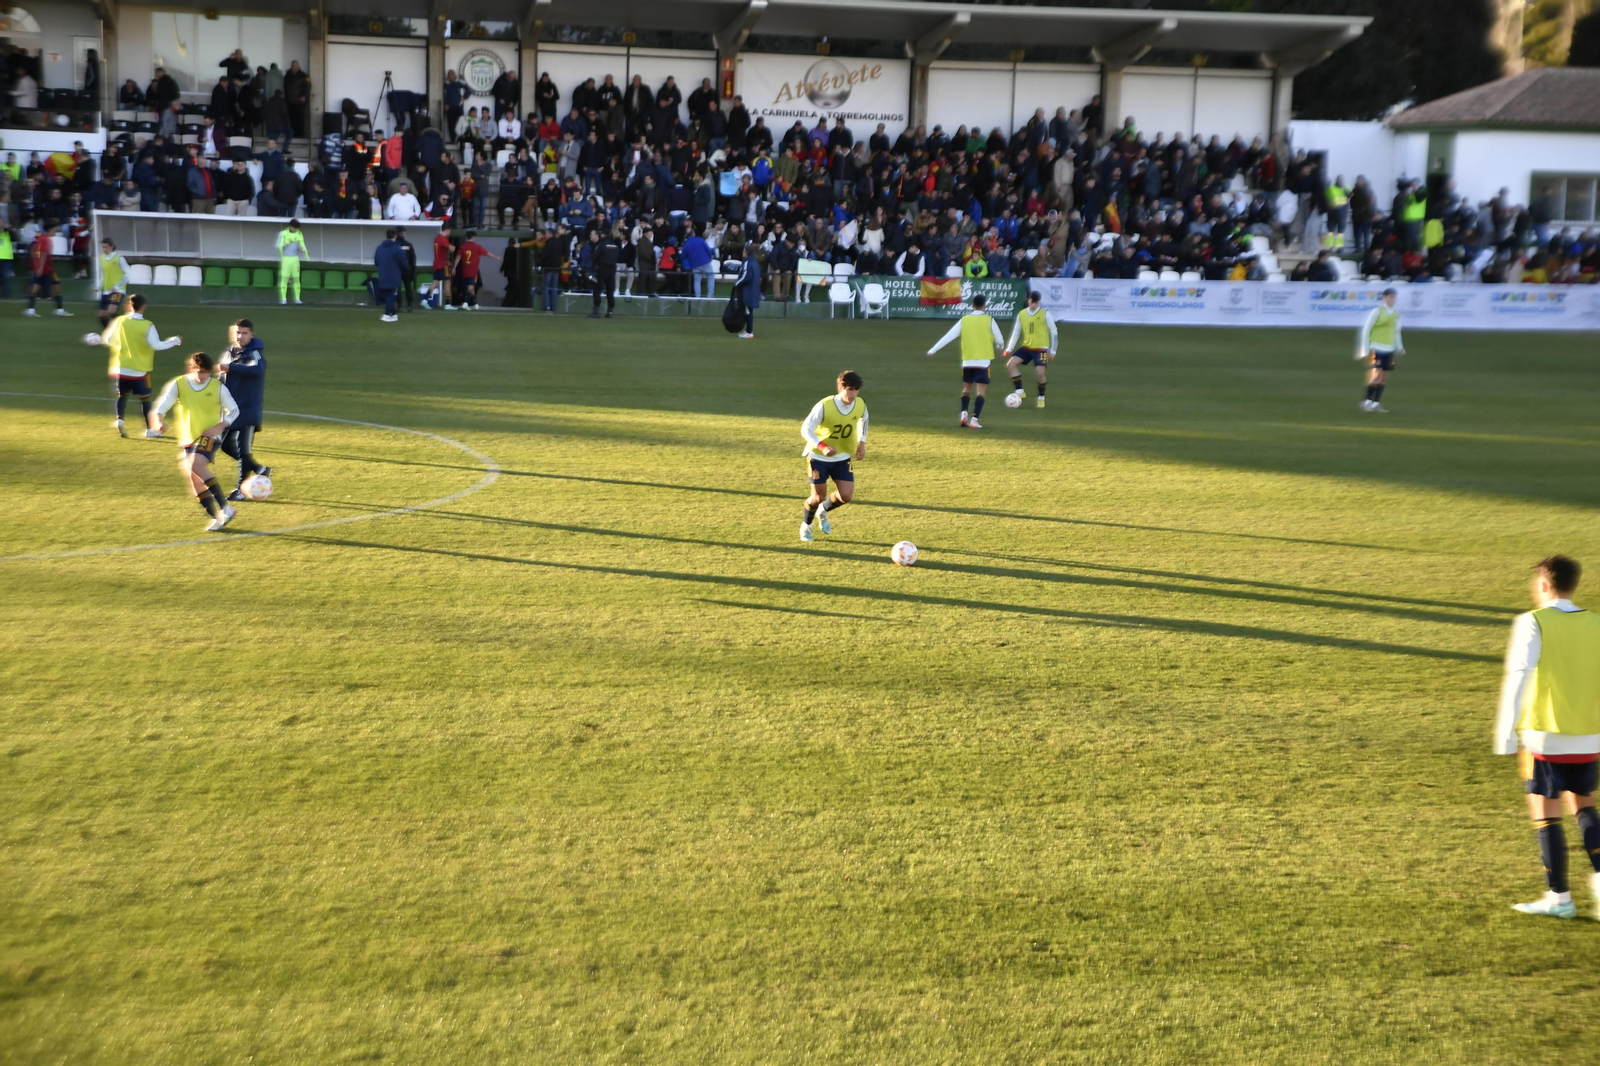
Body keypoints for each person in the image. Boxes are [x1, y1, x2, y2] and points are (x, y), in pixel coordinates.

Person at [1495, 556, 1600, 919]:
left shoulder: (1532, 621)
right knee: (1584, 806)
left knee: (1545, 811)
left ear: (1543, 585)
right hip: (1589, 735)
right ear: (1573, 584)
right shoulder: (1596, 623)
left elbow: (1519, 676)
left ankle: (1560, 899)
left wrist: (1506, 736)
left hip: (1545, 737)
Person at [153, 352, 239, 531]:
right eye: (199, 371)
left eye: (206, 372)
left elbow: (234, 410)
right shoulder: (179, 384)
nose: (203, 376)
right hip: (187, 439)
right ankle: (217, 518)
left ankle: (226, 508)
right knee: (193, 480)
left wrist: (219, 427)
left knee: (195, 465)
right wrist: (160, 420)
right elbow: (163, 404)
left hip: (209, 436)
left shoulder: (218, 387)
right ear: (191, 369)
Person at [798, 370, 867, 544]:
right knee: (817, 496)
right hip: (818, 457)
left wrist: (862, 442)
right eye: (850, 389)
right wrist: (822, 446)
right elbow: (806, 428)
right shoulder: (825, 405)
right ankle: (806, 525)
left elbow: (864, 419)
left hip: (842, 457)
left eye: (856, 390)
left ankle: (823, 511)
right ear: (841, 388)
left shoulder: (859, 404)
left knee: (846, 495)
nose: (853, 394)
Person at [103, 293, 182, 438]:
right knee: (145, 399)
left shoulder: (120, 320)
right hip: (140, 370)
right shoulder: (147, 325)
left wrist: (121, 345)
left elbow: (108, 339)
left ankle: (120, 419)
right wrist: (174, 341)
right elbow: (156, 345)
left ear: (129, 305)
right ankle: (150, 430)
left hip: (122, 367)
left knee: (122, 396)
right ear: (143, 307)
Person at [926, 294, 1005, 429]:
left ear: (972, 306)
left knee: (966, 389)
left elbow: (949, 336)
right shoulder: (989, 320)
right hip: (983, 362)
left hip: (968, 361)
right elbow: (1000, 340)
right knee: (980, 392)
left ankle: (964, 414)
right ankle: (974, 420)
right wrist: (1000, 347)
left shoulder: (965, 320)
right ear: (985, 306)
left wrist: (933, 349)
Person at [218, 319, 271, 500]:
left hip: (247, 410)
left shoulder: (255, 354)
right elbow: (222, 376)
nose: (240, 336)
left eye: (244, 333)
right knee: (225, 446)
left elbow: (256, 370)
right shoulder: (228, 352)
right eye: (237, 333)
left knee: (243, 451)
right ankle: (259, 469)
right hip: (230, 410)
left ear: (252, 334)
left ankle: (241, 490)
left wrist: (231, 367)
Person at [1002, 290, 1058, 409]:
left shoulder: (1045, 313)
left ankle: (1041, 397)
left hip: (1042, 349)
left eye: (1036, 303)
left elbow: (1054, 332)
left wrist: (1053, 350)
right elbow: (1016, 332)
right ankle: (1020, 391)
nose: (1033, 305)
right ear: (1028, 300)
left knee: (1040, 372)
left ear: (1039, 303)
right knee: (1011, 365)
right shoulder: (1022, 314)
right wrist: (1009, 348)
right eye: (1031, 302)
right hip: (1027, 347)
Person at [1356, 287, 1403, 413]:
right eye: (1390, 297)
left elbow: (1396, 331)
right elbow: (1367, 329)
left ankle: (1376, 403)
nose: (1392, 299)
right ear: (1385, 298)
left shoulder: (1396, 313)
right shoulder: (1377, 311)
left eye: (1394, 297)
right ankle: (1367, 401)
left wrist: (1400, 347)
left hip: (1389, 349)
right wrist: (1365, 349)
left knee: (1384, 376)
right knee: (1376, 374)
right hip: (1376, 347)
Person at [24, 223, 71, 318]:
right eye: (55, 228)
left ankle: (31, 310)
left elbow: (33, 250)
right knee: (57, 288)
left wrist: (36, 264)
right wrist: (41, 267)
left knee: (36, 288)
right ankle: (59, 310)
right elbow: (44, 253)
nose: (56, 230)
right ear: (51, 228)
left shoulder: (41, 238)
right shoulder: (46, 239)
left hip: (42, 267)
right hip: (47, 268)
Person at [454, 230, 498, 310]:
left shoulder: (463, 246)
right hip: (473, 271)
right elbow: (487, 253)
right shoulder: (477, 247)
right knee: (471, 288)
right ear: (474, 237)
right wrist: (496, 257)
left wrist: (454, 267)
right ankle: (465, 303)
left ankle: (475, 304)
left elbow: (458, 257)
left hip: (465, 270)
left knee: (472, 289)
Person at [373, 228, 408, 323]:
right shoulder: (397, 249)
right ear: (395, 236)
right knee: (392, 295)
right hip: (394, 275)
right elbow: (403, 263)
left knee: (387, 295)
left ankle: (394, 314)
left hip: (383, 274)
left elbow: (376, 261)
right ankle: (387, 314)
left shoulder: (379, 248)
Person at [96, 238, 131, 327]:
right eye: (103, 247)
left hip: (117, 290)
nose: (104, 249)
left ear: (112, 246)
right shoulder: (102, 258)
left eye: (106, 247)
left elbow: (128, 274)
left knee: (112, 310)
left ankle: (125, 324)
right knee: (102, 315)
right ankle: (109, 333)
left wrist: (118, 286)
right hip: (106, 290)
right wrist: (99, 287)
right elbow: (103, 275)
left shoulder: (119, 258)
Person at [276, 218, 308, 305]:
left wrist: (301, 249)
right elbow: (277, 246)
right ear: (291, 226)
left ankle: (297, 299)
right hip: (286, 258)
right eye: (294, 228)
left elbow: (301, 246)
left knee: (296, 278)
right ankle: (283, 299)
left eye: (297, 228)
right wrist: (286, 243)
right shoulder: (283, 234)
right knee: (285, 278)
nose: (296, 229)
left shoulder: (299, 234)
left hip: (295, 259)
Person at [588, 228, 618, 319]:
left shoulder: (601, 245)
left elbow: (594, 257)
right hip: (612, 270)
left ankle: (596, 311)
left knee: (597, 290)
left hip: (602, 269)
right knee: (610, 292)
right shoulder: (615, 246)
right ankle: (610, 312)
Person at [734, 246, 761, 339]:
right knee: (749, 311)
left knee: (748, 311)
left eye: (744, 251)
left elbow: (747, 277)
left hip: (747, 291)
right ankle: (748, 330)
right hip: (753, 291)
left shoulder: (748, 263)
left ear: (746, 253)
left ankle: (749, 332)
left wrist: (737, 284)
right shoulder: (755, 263)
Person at [430, 221, 455, 310]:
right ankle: (448, 304)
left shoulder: (437, 238)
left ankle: (425, 300)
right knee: (447, 283)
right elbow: (451, 249)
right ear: (447, 230)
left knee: (435, 282)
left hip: (436, 263)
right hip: (443, 264)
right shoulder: (443, 238)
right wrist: (453, 247)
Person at [395, 226, 418, 312]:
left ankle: (400, 306)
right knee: (408, 288)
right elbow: (413, 259)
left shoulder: (395, 245)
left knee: (398, 289)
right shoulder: (408, 245)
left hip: (397, 270)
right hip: (407, 269)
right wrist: (412, 270)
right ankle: (409, 306)